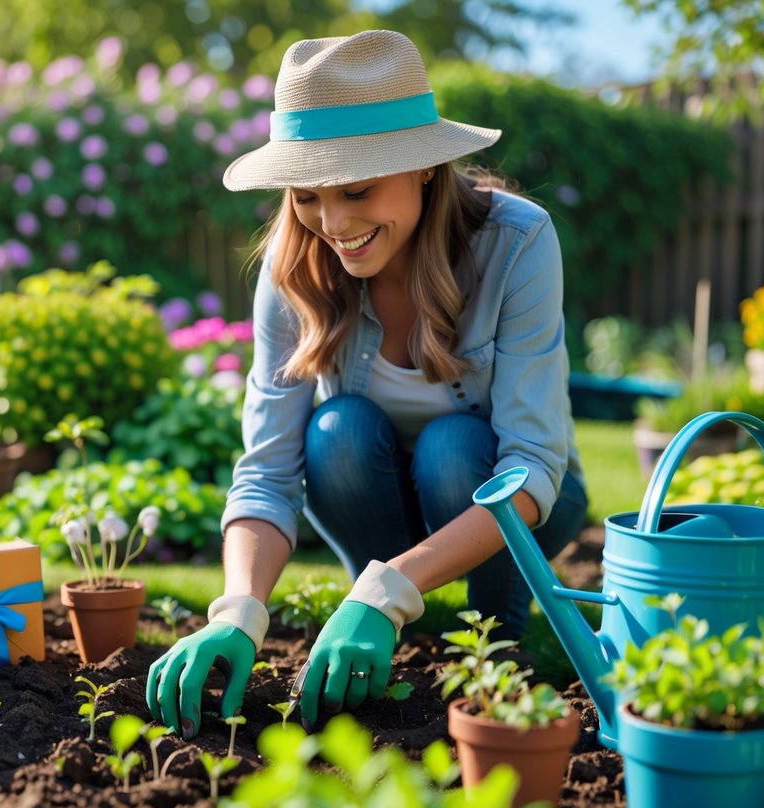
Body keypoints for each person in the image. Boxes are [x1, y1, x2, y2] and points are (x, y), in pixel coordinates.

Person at [146, 29, 588, 739]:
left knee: (453, 446)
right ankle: (388, 621)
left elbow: (532, 468)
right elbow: (264, 476)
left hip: (521, 503)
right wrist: (238, 611)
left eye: (355, 190)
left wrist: (388, 592)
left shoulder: (516, 244)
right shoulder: (292, 273)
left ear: (422, 167)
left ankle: (494, 643)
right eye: (307, 197)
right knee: (337, 430)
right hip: (377, 497)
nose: (333, 224)